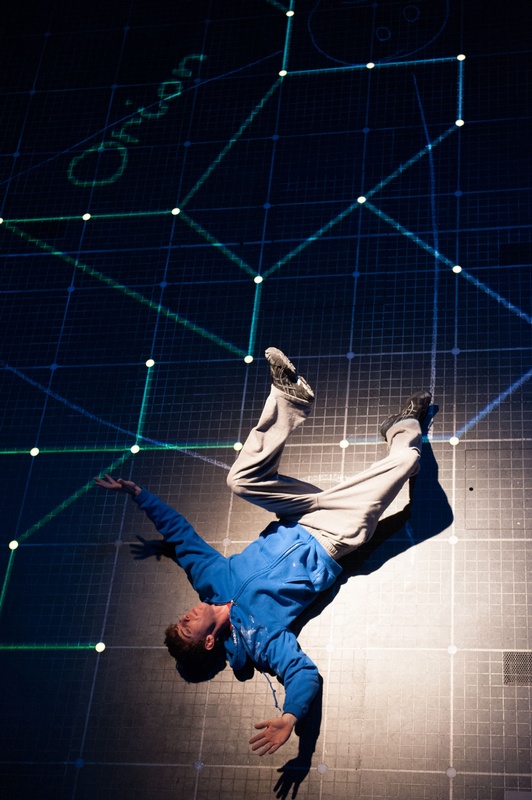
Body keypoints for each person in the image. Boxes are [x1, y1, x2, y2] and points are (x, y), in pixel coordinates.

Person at [95, 348, 431, 756]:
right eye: (187, 628)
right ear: (207, 642)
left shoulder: (210, 580)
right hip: (333, 537)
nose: (186, 617)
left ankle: (289, 398)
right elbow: (303, 673)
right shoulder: (260, 641)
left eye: (180, 620)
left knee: (240, 480)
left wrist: (139, 494)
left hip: (298, 515)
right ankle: (402, 428)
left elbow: (181, 536)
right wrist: (290, 718)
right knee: (405, 462)